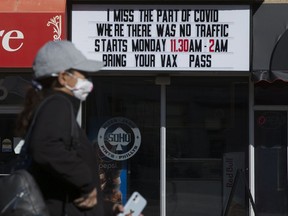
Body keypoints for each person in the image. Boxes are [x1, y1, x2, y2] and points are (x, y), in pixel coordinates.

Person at [15, 40, 124, 216]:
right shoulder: (58, 103)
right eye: (83, 74)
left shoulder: (50, 107)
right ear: (63, 77)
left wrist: (112, 211)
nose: (87, 80)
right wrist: (86, 182)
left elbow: (70, 196)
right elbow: (46, 147)